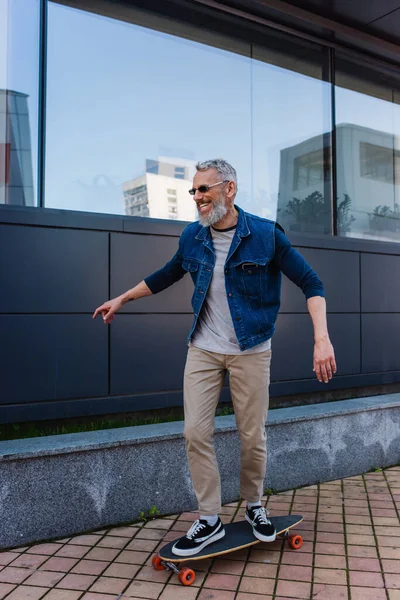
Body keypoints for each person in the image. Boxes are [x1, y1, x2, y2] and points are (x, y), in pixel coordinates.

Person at [93, 158, 336, 557]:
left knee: (252, 434)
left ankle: (255, 505)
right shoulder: (193, 236)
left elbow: (312, 282)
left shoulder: (265, 235)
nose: (197, 198)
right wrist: (122, 298)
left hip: (251, 349)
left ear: (229, 189)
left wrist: (321, 339)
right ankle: (209, 517)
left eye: (204, 189)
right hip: (203, 349)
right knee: (195, 433)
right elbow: (167, 274)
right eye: (194, 191)